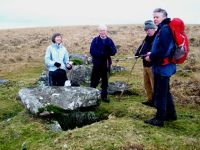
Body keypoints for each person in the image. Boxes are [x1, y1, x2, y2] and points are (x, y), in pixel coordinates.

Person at [144, 8, 177, 127]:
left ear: (164, 17)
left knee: (160, 93)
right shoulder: (164, 28)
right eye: (154, 17)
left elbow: (162, 50)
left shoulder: (165, 30)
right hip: (163, 66)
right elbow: (160, 48)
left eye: (157, 17)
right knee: (165, 91)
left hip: (163, 67)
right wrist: (151, 53)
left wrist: (151, 57)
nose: (154, 19)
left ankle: (159, 118)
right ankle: (171, 114)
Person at [90, 25, 117, 102]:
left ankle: (104, 96)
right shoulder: (95, 40)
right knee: (94, 79)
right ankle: (91, 95)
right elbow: (92, 51)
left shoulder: (109, 40)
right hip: (97, 63)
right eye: (101, 30)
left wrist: (109, 50)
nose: (102, 32)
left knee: (105, 80)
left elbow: (114, 51)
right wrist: (102, 53)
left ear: (106, 31)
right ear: (99, 31)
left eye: (104, 30)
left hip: (106, 63)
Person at [135, 20, 156, 107]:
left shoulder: (156, 38)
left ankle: (156, 102)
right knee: (147, 84)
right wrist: (137, 53)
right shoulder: (146, 39)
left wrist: (151, 53)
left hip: (153, 66)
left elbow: (156, 51)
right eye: (146, 30)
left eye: (149, 29)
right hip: (145, 65)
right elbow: (141, 47)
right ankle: (150, 100)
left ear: (153, 28)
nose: (147, 31)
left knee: (154, 84)